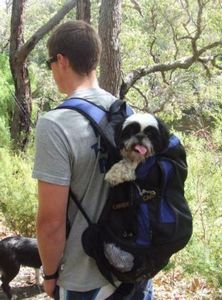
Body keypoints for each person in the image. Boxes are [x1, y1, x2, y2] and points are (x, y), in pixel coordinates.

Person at [33, 20, 153, 299]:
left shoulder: (55, 124)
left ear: (61, 61)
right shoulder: (127, 112)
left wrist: (50, 275)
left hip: (85, 281)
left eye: (50, 63)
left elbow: (50, 222)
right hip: (134, 271)